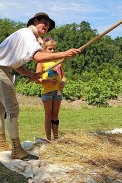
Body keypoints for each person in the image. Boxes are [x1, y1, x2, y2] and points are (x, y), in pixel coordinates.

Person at [0, 12, 80, 160]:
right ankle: (17, 150)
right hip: (1, 70)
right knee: (12, 109)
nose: (47, 27)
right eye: (45, 23)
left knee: (1, 108)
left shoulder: (22, 35)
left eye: (49, 26)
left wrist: (30, 74)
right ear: (36, 21)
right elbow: (38, 57)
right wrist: (64, 54)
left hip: (4, 67)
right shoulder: (28, 34)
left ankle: (1, 143)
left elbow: (14, 63)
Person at [36, 37, 66, 142]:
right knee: (48, 115)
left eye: (54, 49)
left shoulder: (58, 61)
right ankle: (48, 138)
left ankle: (56, 138)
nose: (52, 51)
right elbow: (37, 79)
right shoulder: (41, 62)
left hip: (57, 91)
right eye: (50, 49)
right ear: (44, 49)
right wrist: (47, 81)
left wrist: (63, 81)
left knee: (55, 115)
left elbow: (63, 76)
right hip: (47, 92)